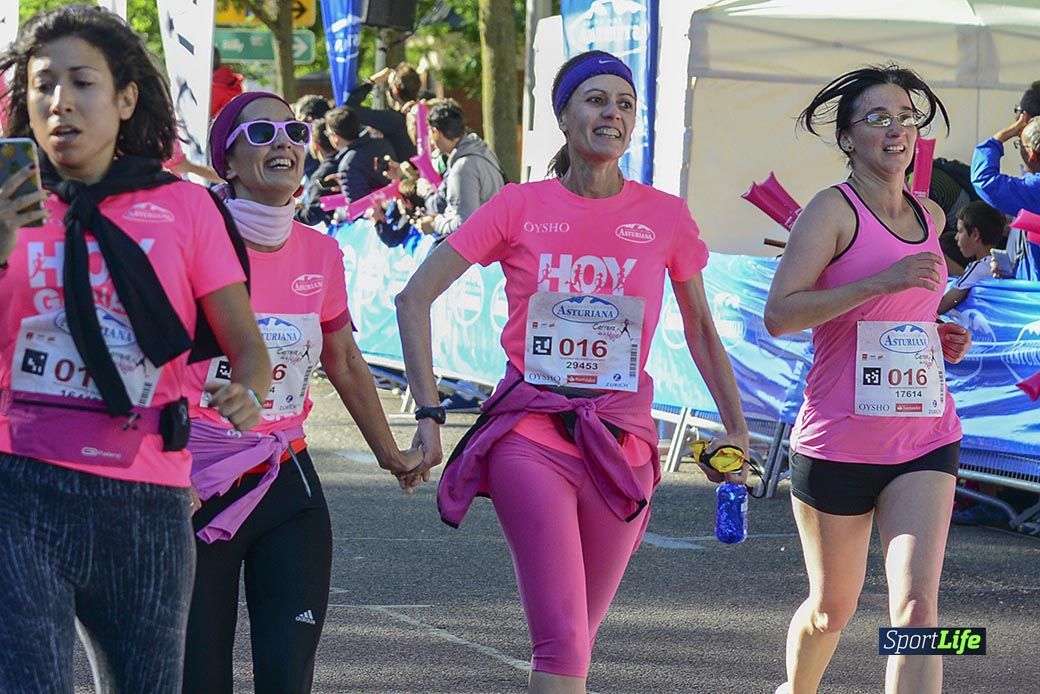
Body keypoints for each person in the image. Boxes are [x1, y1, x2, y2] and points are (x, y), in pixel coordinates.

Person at [396, 50, 750, 693]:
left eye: (624, 103)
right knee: (561, 644)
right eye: (594, 100)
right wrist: (427, 413)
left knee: (576, 646)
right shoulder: (518, 205)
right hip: (530, 435)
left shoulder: (664, 215)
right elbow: (412, 296)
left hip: (624, 445)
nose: (610, 113)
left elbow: (699, 326)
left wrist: (737, 430)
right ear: (563, 116)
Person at [0, 6, 271, 692]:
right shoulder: (7, 200)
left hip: (146, 501)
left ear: (124, 98)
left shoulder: (186, 208)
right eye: (43, 84)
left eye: (82, 82)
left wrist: (248, 392)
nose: (60, 101)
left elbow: (248, 347)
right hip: (19, 490)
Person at [181, 91, 421, 693]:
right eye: (260, 135)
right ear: (227, 164)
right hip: (193, 481)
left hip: (286, 475)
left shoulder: (321, 251)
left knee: (288, 678)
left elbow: (341, 357)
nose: (283, 142)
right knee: (198, 681)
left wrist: (390, 453)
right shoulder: (187, 244)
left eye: (291, 130)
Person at [763, 65, 973, 694]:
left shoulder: (931, 213)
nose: (896, 130)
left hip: (924, 436)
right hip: (839, 442)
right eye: (877, 118)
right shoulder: (830, 211)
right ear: (848, 137)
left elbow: (902, 314)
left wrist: (932, 338)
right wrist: (876, 283)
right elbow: (781, 314)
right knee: (833, 610)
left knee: (917, 612)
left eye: (907, 117)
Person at [970, 83, 1040, 276]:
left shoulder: (1034, 189)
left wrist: (1000, 137)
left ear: (1032, 154)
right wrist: (1014, 273)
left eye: (1020, 144)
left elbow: (984, 180)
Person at [417, 99, 505, 240]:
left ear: (436, 132)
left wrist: (435, 224)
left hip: (484, 248)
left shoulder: (462, 168)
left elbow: (465, 225)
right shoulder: (480, 149)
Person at [938, 201, 1006, 314]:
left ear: (975, 235)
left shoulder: (978, 268)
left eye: (960, 231)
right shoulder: (1004, 263)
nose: (956, 237)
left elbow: (942, 306)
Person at [346, 63, 420, 161]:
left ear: (395, 91)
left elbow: (349, 108)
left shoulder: (392, 119)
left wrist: (372, 81)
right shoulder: (423, 112)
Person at [326, 105, 395, 203]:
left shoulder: (348, 165)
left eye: (328, 134)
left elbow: (358, 207)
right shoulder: (382, 143)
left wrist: (348, 179)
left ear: (335, 136)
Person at [295, 116, 344, 226]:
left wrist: (294, 212)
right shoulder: (350, 159)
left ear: (316, 145)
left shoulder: (321, 175)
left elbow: (312, 216)